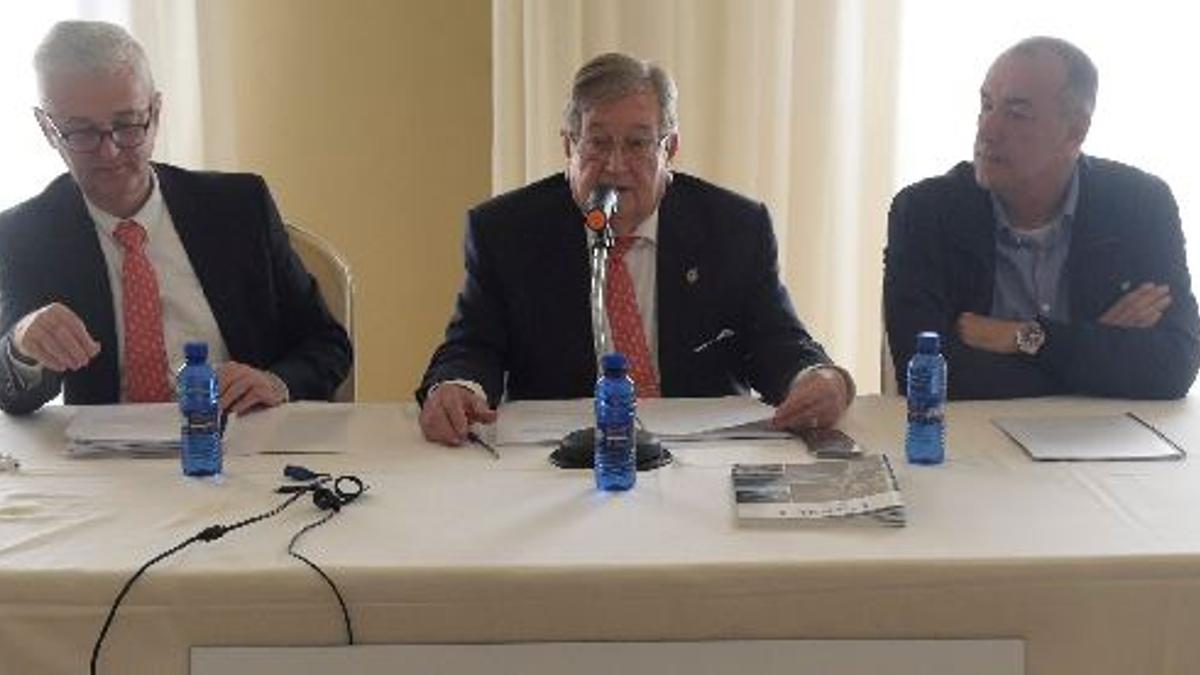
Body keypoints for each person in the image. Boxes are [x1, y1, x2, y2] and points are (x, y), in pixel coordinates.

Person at [417, 52, 854, 446]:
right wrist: (458, 388)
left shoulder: (734, 227)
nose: (615, 165)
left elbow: (774, 338)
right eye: (598, 142)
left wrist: (817, 378)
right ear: (569, 145)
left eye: (638, 143)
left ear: (671, 149)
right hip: (563, 459)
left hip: (701, 456)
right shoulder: (506, 231)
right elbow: (474, 345)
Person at [0, 20, 352, 415]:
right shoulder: (25, 233)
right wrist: (22, 345)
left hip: (240, 441)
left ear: (156, 112)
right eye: (81, 133)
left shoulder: (239, 207)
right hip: (104, 466)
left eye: (128, 125)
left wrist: (274, 382)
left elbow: (327, 343)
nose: (111, 151)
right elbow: (12, 394)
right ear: (48, 129)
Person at [885, 36, 1200, 399]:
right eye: (987, 106)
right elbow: (926, 372)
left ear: (1074, 132)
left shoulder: (1140, 204)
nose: (987, 130)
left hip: (1107, 440)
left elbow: (1173, 367)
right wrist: (1093, 345)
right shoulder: (926, 212)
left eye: (1016, 113)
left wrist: (1019, 337)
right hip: (969, 444)